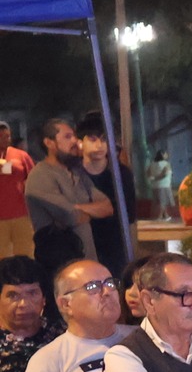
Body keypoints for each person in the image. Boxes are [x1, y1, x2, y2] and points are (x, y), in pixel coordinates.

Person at [27, 118, 112, 270]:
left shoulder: (76, 172)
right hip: (61, 267)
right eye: (67, 137)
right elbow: (72, 216)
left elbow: (107, 207)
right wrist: (87, 210)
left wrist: (77, 207)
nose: (74, 141)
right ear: (49, 143)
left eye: (74, 136)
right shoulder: (40, 176)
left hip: (88, 263)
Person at [75, 116, 135, 275]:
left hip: (114, 247)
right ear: (80, 142)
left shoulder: (121, 174)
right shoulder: (71, 174)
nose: (99, 145)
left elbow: (128, 213)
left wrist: (84, 209)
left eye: (104, 139)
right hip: (79, 247)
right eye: (92, 139)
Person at [0, 122, 34, 259]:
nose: (5, 139)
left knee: (25, 253)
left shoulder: (21, 155)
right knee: (3, 257)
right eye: (1, 136)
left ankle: (28, 280)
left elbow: (33, 177)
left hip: (22, 213)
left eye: (7, 136)